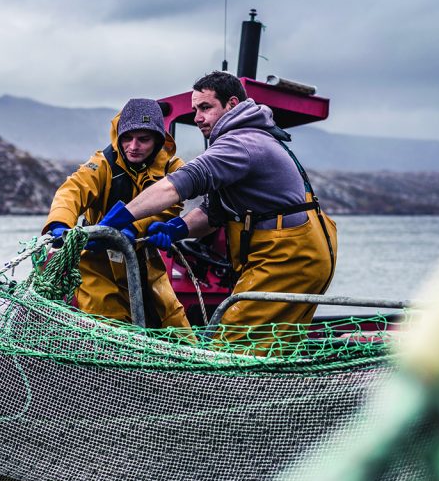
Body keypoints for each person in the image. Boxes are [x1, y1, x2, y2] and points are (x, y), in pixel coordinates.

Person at [95, 72, 337, 349]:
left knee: (230, 344)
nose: (198, 117)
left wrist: (116, 220)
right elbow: (215, 212)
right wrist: (177, 229)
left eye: (206, 108)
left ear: (232, 104)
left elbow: (180, 184)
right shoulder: (256, 136)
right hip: (305, 252)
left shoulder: (241, 142)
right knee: (274, 344)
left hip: (287, 257)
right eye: (195, 109)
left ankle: (219, 392)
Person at [42, 98, 190, 329]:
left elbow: (171, 207)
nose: (133, 146)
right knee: (109, 328)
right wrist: (60, 224)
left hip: (145, 260)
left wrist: (142, 228)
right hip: (96, 264)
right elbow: (72, 191)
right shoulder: (102, 164)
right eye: (127, 138)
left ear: (158, 140)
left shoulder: (173, 168)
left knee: (175, 328)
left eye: (143, 139)